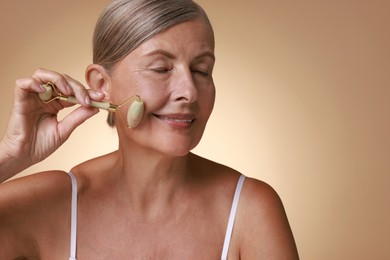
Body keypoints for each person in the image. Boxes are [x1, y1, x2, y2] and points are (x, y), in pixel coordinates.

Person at [0, 0, 299, 259]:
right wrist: (10, 157)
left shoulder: (251, 210)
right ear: (102, 84)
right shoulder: (48, 204)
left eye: (201, 71)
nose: (189, 92)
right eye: (161, 68)